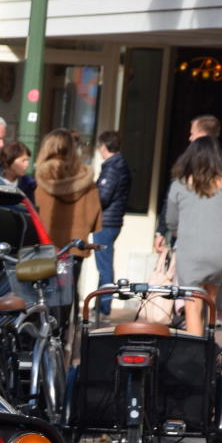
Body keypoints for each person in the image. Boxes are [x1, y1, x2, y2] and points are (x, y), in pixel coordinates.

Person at [165, 136, 222, 336]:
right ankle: (209, 348)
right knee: (211, 304)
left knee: (192, 307)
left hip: (191, 253)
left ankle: (195, 359)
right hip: (219, 252)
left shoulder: (179, 185)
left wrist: (183, 233)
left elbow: (171, 221)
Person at [34, 128, 102, 317]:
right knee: (69, 293)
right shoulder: (86, 178)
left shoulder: (40, 179)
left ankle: (48, 335)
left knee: (45, 294)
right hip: (74, 245)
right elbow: (95, 213)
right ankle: (65, 337)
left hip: (47, 246)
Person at [155, 114, 222, 254]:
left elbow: (171, 201)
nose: (190, 138)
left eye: (192, 134)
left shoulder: (187, 162)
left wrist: (162, 231)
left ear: (202, 135)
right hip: (217, 243)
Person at [94, 130, 132, 315]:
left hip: (106, 222)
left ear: (103, 146)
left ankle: (104, 307)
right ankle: (100, 304)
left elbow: (103, 197)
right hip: (112, 221)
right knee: (104, 264)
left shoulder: (112, 167)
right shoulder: (119, 165)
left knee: (104, 266)